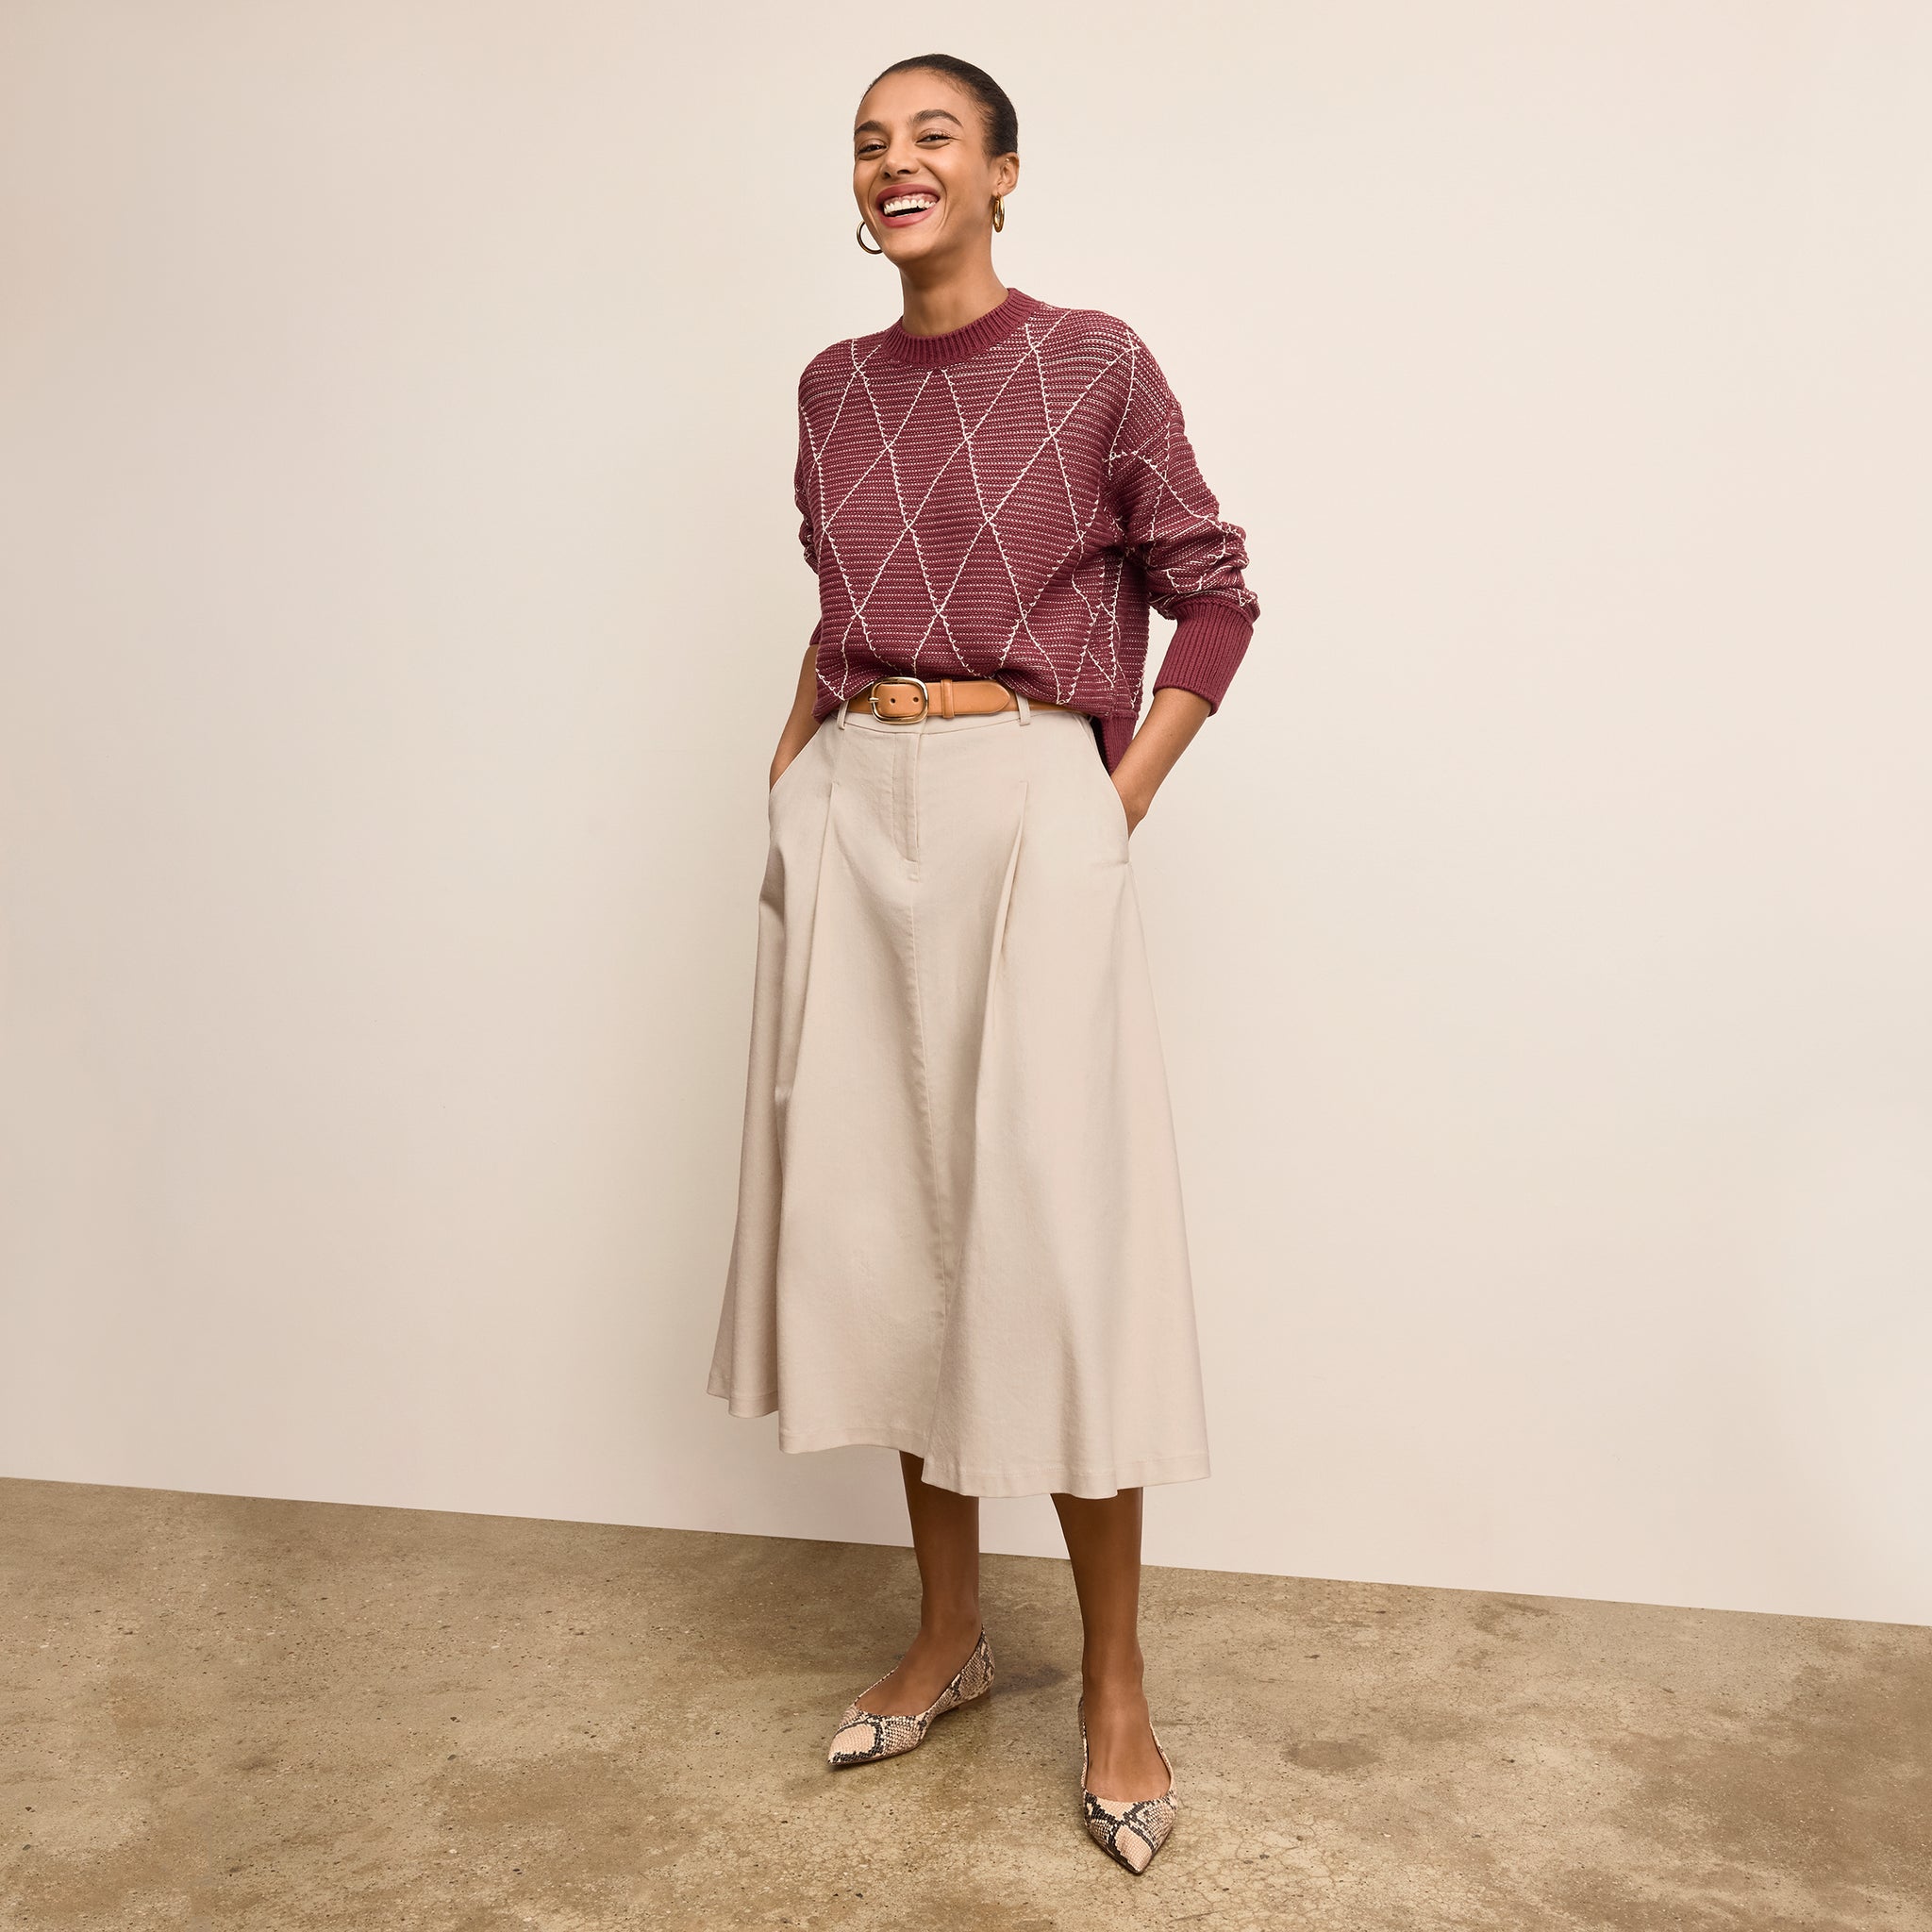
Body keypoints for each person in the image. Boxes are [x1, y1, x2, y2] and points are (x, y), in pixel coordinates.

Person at [706, 52, 1258, 1874]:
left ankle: (1113, 1683)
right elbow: (833, 588)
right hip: (861, 795)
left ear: (1007, 174)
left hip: (1034, 797)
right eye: (869, 144)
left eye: (933, 135)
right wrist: (791, 761)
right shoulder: (830, 386)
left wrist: (1116, 797)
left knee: (1050, 1231)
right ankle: (948, 1637)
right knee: (892, 1232)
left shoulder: (1092, 360)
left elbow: (1215, 588)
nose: (895, 163)